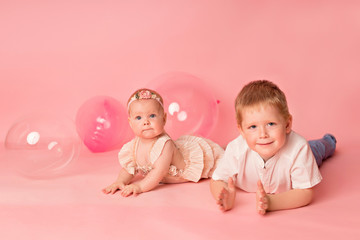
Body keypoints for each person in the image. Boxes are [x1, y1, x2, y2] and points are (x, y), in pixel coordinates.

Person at [210, 80, 336, 214]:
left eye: (270, 124)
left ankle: (328, 142)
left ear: (287, 125)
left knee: (316, 149)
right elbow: (217, 180)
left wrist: (271, 202)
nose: (263, 134)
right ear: (241, 130)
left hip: (308, 154)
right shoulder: (236, 149)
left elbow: (305, 192)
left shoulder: (299, 149)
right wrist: (224, 195)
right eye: (253, 127)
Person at [103, 88, 224, 197]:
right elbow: (128, 169)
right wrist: (120, 181)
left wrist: (140, 186)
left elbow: (158, 172)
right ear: (130, 122)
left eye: (152, 116)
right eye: (138, 118)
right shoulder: (133, 146)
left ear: (164, 119)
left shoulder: (165, 144)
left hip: (190, 163)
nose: (146, 122)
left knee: (222, 160)